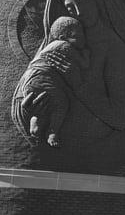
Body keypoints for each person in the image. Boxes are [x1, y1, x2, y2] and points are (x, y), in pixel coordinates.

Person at [11, 0, 125, 149]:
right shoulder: (59, 42)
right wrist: (29, 108)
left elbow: (120, 119)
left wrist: (78, 83)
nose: (78, 12)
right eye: (70, 7)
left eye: (82, 2)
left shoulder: (117, 50)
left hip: (95, 153)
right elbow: (32, 79)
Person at [14, 16, 90, 147]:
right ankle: (52, 131)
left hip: (29, 80)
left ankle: (35, 121)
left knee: (43, 102)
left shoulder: (48, 48)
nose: (83, 38)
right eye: (77, 35)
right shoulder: (64, 45)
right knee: (61, 103)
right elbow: (84, 64)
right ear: (62, 37)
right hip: (42, 78)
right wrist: (87, 55)